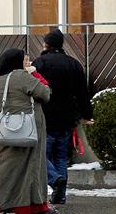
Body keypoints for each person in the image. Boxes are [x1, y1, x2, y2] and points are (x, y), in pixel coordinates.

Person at [0, 49, 55, 214]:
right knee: (31, 167)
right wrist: (34, 74)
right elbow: (45, 94)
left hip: (3, 131)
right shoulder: (22, 77)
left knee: (4, 168)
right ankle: (34, 207)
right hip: (27, 130)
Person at [33, 28, 93, 204]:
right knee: (61, 157)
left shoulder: (39, 63)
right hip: (67, 118)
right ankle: (60, 194)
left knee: (42, 156)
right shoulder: (73, 64)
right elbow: (82, 93)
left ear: (46, 44)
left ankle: (54, 180)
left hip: (45, 117)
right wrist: (86, 114)